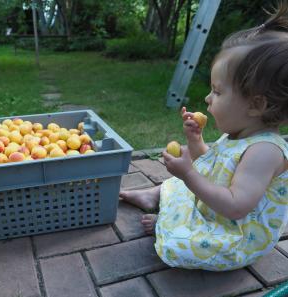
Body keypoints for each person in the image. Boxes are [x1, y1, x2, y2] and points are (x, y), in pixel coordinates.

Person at [120, 4, 288, 271]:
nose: (208, 99)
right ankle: (156, 196)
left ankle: (167, 225)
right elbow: (214, 164)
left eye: (217, 92)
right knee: (180, 186)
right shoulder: (240, 135)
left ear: (256, 105)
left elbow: (235, 207)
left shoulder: (265, 151)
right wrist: (196, 141)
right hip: (218, 211)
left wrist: (188, 174)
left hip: (236, 234)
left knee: (180, 242)